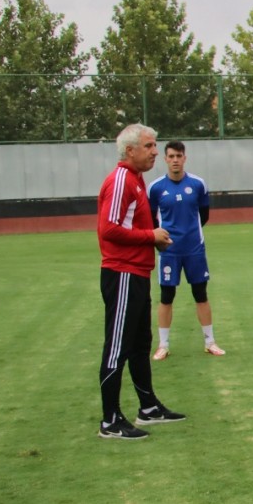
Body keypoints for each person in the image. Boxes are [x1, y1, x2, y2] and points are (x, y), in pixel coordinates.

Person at [96, 124, 185, 439]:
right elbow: (108, 228)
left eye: (154, 145)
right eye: (149, 146)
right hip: (122, 273)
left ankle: (148, 407)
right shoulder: (121, 179)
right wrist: (150, 236)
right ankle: (110, 420)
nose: (155, 152)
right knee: (117, 346)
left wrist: (154, 240)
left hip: (137, 272)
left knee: (139, 343)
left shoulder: (135, 179)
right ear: (130, 150)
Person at [148, 140, 224, 359]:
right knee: (166, 296)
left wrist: (190, 233)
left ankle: (210, 342)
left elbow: (204, 215)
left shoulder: (198, 184)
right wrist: (163, 240)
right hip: (169, 251)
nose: (175, 160)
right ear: (165, 159)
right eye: (171, 156)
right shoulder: (155, 188)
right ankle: (163, 345)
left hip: (194, 249)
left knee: (201, 294)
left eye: (178, 156)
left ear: (184, 158)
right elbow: (151, 220)